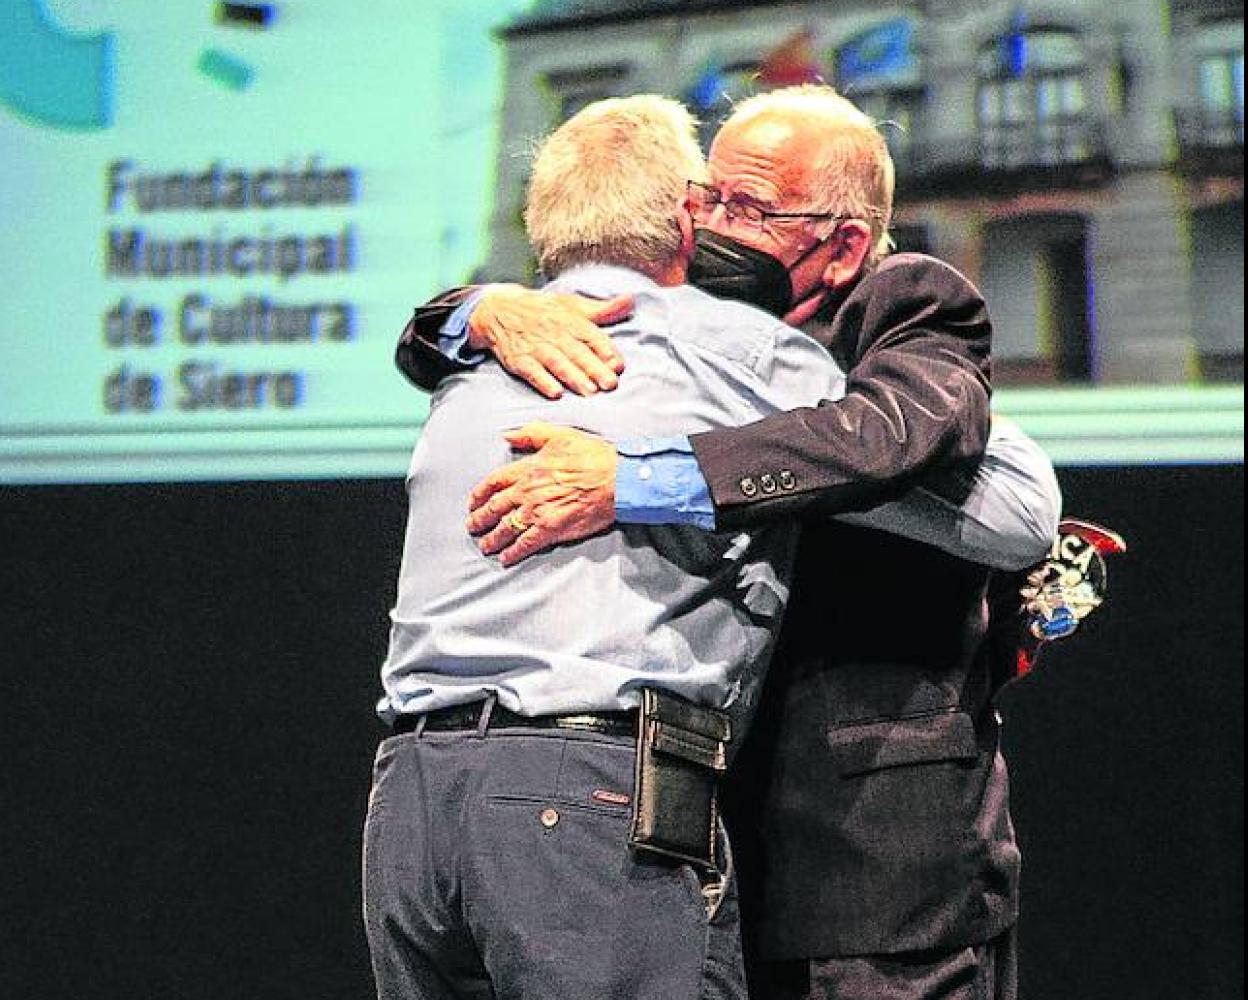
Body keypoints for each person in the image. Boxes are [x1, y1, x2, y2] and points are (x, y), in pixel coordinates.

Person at [395, 85, 1050, 999]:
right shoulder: (660, 327)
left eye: (748, 207)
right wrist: (478, 310)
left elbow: (979, 483)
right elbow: (435, 334)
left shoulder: (905, 305)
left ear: (845, 242)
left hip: (871, 858)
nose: (712, 224)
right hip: (688, 829)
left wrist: (640, 477)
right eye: (708, 197)